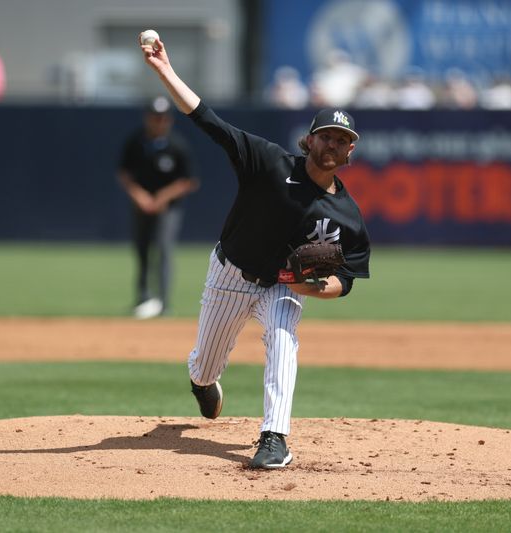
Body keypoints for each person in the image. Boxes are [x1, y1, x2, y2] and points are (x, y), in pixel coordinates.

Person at [138, 32, 371, 469]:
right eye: (327, 137)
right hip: (230, 275)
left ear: (350, 151)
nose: (333, 146)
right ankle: (202, 379)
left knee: (284, 336)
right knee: (206, 366)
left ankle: (274, 437)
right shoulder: (268, 162)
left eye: (343, 141)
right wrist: (164, 70)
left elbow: (348, 278)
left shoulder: (346, 214)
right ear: (310, 139)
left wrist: (312, 287)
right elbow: (207, 119)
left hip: (280, 287)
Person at [117, 96, 199, 319]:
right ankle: (142, 299)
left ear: (169, 120)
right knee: (141, 250)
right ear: (148, 118)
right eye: (155, 117)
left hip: (168, 208)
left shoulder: (176, 145)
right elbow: (124, 173)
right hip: (141, 205)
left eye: (163, 117)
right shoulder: (136, 142)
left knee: (164, 250)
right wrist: (140, 196)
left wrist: (162, 197)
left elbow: (189, 180)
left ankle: (163, 303)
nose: (159, 122)